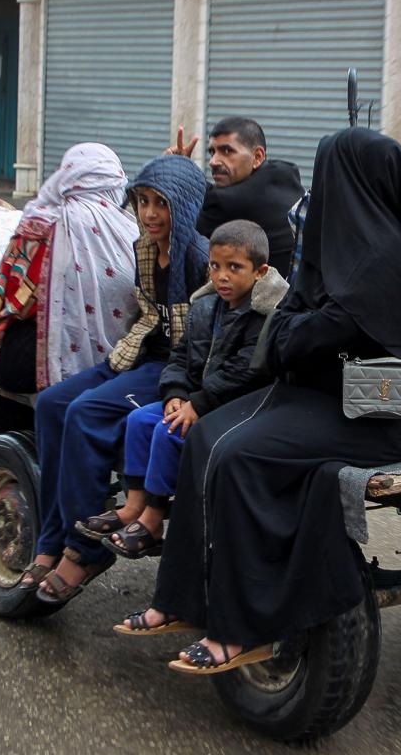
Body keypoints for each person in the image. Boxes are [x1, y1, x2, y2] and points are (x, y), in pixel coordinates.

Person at [121, 128, 401, 674]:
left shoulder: (383, 259)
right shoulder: (342, 248)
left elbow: (297, 335)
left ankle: (245, 627)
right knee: (203, 434)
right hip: (333, 392)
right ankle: (183, 599)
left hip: (386, 407)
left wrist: (299, 332)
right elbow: (292, 333)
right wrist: (299, 332)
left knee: (241, 455)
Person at [25, 154, 210, 604]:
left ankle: (85, 550)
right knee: (51, 405)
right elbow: (150, 316)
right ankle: (51, 539)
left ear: (182, 207)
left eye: (160, 204)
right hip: (145, 353)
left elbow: (202, 345)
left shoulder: (200, 259)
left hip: (179, 369)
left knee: (86, 414)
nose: (148, 214)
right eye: (142, 201)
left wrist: (181, 389)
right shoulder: (144, 248)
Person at [98, 220, 289, 565]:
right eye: (215, 267)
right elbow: (181, 355)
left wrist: (197, 404)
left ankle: (154, 520)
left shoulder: (266, 314)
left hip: (236, 406)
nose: (222, 277)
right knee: (140, 419)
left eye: (235, 268)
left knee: (168, 430)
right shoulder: (205, 307)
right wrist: (174, 392)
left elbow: (245, 372)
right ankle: (134, 506)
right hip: (199, 399)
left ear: (260, 271)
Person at [0, 143, 140, 434]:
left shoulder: (41, 224)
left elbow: (10, 300)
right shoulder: (132, 231)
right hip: (123, 363)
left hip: (45, 370)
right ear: (116, 180)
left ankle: (5, 428)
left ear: (67, 175)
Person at [166, 118, 303, 274]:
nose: (213, 162)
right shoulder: (285, 172)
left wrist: (172, 174)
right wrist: (185, 169)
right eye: (212, 152)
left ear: (257, 156)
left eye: (227, 151)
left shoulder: (224, 204)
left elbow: (174, 231)